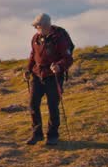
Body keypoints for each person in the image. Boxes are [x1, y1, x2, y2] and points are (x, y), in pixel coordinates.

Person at [23, 13, 73, 146]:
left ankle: (52, 136)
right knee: (33, 104)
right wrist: (28, 70)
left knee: (52, 106)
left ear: (45, 26)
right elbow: (33, 55)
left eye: (37, 26)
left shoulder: (58, 39)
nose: (35, 29)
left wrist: (59, 66)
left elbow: (68, 59)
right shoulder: (35, 38)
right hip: (37, 75)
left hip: (53, 77)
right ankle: (37, 134)